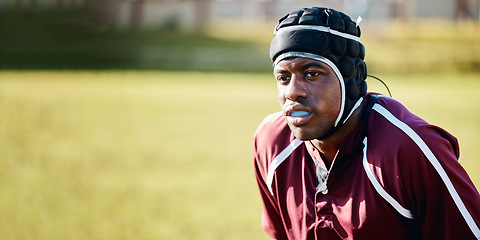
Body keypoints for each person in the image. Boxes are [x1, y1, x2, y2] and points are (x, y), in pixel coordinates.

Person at [253, 6, 480, 240]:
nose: (293, 92)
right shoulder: (271, 143)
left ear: (354, 76)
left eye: (312, 73)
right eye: (283, 77)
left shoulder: (409, 149)